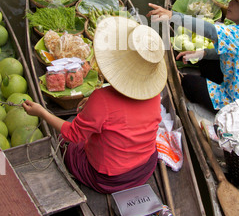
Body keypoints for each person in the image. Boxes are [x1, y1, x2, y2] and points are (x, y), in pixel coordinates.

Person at [23, 15, 167, 194]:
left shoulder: (101, 99)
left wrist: (42, 112)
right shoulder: (152, 94)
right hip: (145, 167)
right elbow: (124, 114)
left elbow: (73, 135)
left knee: (71, 148)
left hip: (110, 179)